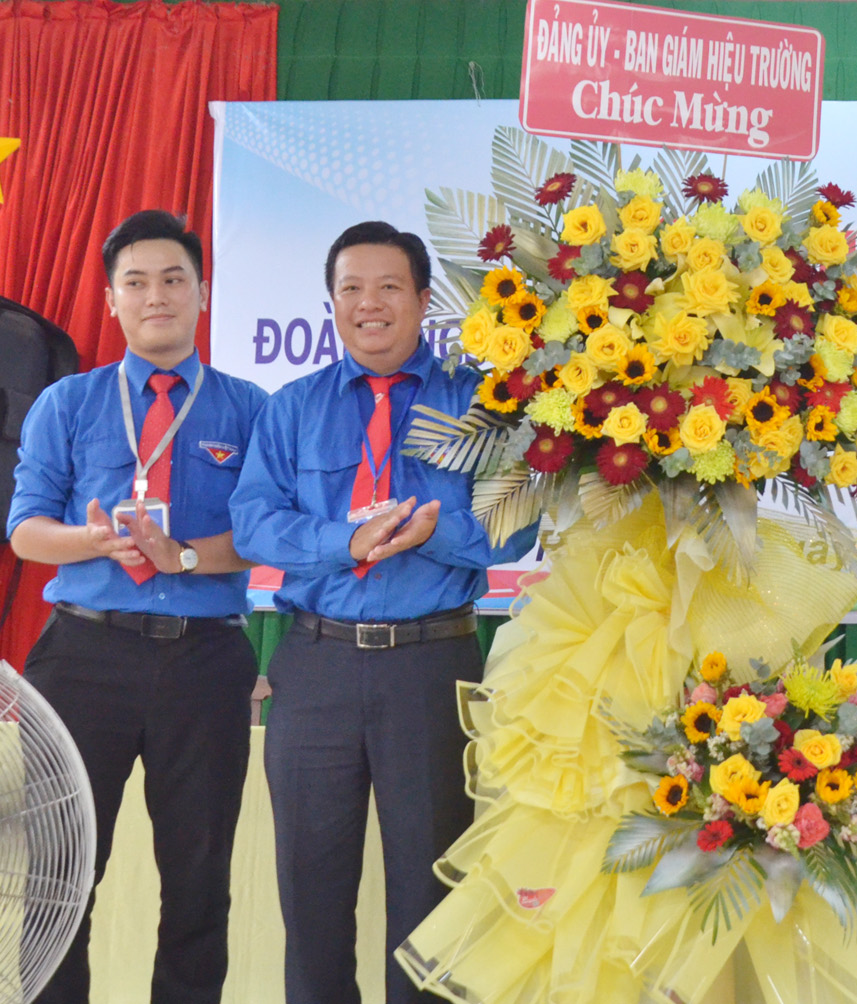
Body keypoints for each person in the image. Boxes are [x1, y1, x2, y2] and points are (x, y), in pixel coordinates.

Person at [229, 221, 537, 1004]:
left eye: (389, 287)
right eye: (352, 289)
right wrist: (346, 540)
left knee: (430, 896)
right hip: (316, 664)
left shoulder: (481, 405)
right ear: (331, 303)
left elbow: (516, 527)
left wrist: (434, 533)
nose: (370, 304)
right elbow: (254, 524)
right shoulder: (293, 407)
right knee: (311, 894)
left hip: (431, 666)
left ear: (424, 300)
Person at [8, 209, 265, 1003]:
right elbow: (25, 531)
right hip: (84, 657)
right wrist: (90, 542)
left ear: (203, 293)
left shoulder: (250, 409)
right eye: (137, 282)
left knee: (199, 881)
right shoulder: (68, 402)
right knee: (59, 873)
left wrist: (180, 555)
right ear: (112, 299)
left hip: (205, 659)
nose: (157, 296)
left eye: (174, 279)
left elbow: (264, 538)